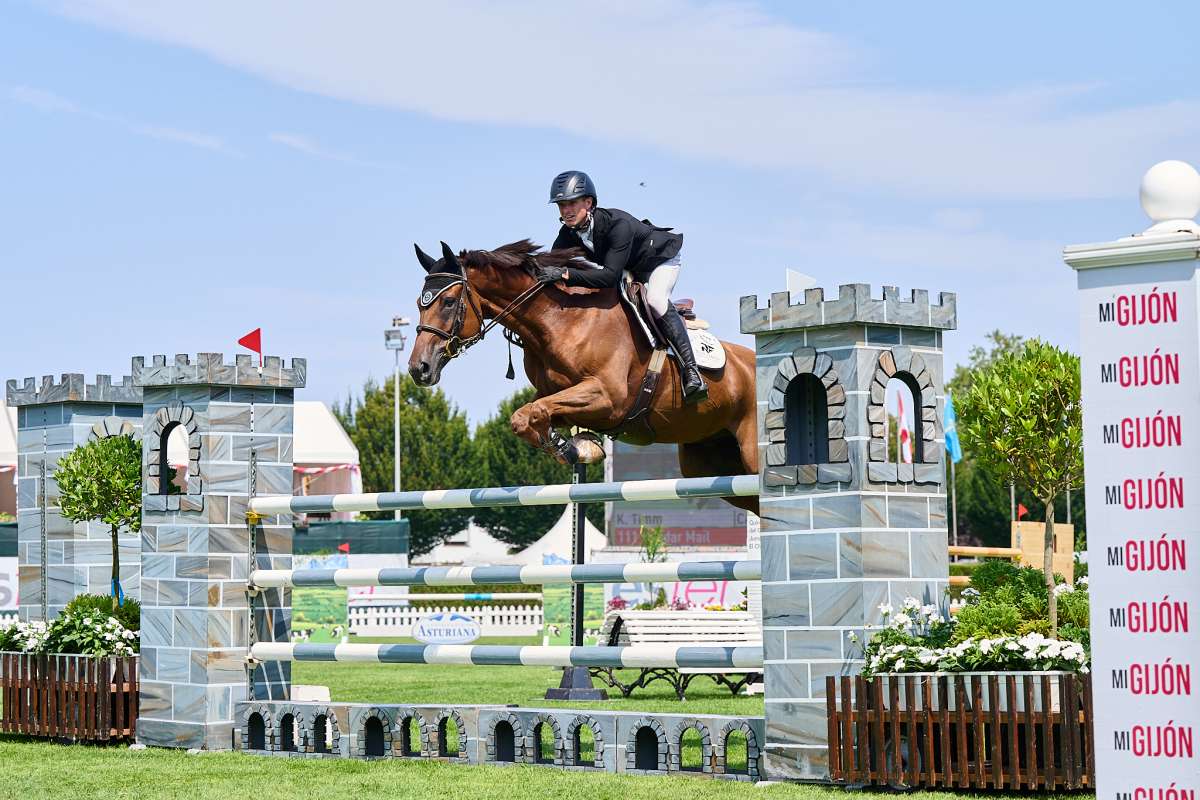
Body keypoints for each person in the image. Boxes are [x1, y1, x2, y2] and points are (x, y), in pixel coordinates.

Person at [539, 170, 708, 403]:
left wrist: (566, 273)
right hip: (631, 267)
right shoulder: (568, 234)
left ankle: (692, 372)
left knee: (655, 300)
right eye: (561, 205)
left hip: (660, 260)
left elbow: (608, 276)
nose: (565, 211)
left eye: (571, 203)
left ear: (588, 202)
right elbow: (551, 264)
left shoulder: (617, 225)